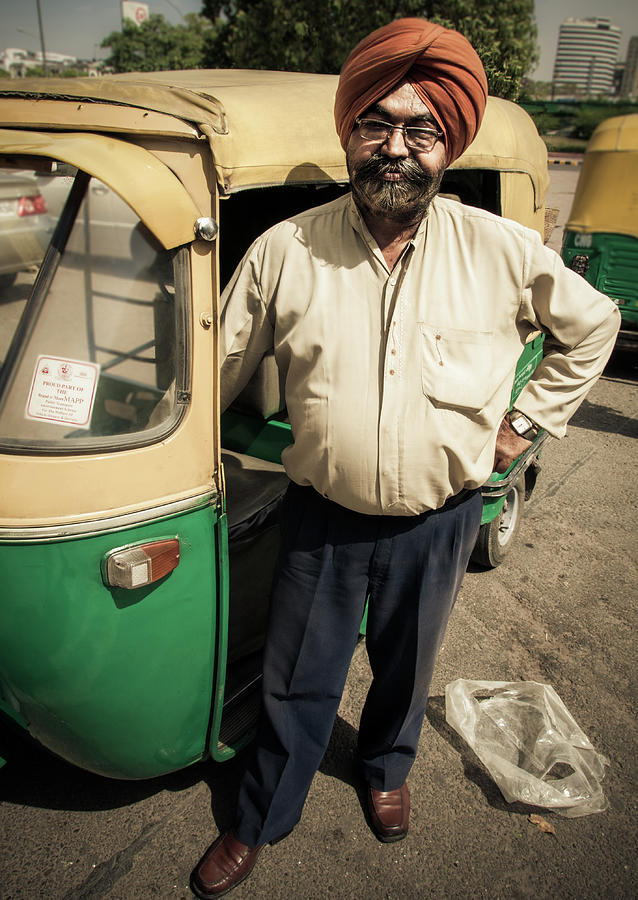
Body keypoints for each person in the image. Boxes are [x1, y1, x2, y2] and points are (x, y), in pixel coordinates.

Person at [191, 17, 620, 898]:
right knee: (295, 679)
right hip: (324, 519)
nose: (395, 148)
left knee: (407, 663)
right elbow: (218, 371)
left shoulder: (497, 251)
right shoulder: (287, 251)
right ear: (349, 135)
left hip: (441, 517)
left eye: (420, 130)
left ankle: (386, 771)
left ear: (446, 147)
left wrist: (519, 429)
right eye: (375, 125)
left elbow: (595, 326)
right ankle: (260, 816)